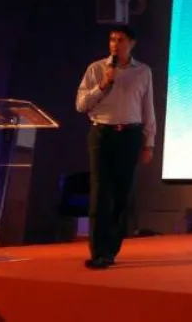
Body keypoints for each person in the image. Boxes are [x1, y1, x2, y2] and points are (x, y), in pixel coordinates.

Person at [75, 25, 156, 269]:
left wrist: (149, 142)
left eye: (120, 40)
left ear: (132, 44)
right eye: (112, 39)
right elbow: (80, 105)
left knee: (122, 192)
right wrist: (102, 85)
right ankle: (98, 251)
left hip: (130, 135)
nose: (114, 44)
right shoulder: (96, 69)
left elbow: (148, 108)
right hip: (102, 133)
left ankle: (111, 250)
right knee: (100, 191)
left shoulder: (143, 71)